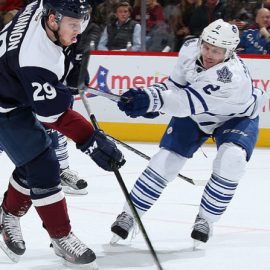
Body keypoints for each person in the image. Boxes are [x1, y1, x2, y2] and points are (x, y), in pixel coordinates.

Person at [110, 19, 265, 245]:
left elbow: (183, 103)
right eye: (207, 47)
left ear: (230, 52)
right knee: (165, 159)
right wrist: (148, 98)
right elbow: (174, 89)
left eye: (218, 51)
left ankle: (206, 220)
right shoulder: (191, 48)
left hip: (236, 116)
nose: (210, 54)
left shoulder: (230, 77)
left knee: (233, 159)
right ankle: (129, 213)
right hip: (197, 113)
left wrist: (153, 102)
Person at [0, 0, 125, 267]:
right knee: (43, 163)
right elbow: (53, 114)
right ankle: (60, 236)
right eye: (73, 26)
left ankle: (7, 215)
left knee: (33, 157)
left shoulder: (49, 8)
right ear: (54, 20)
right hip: (4, 105)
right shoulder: (34, 58)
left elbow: (73, 35)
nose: (78, 30)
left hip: (15, 86)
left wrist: (76, 56)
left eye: (81, 24)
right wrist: (91, 140)